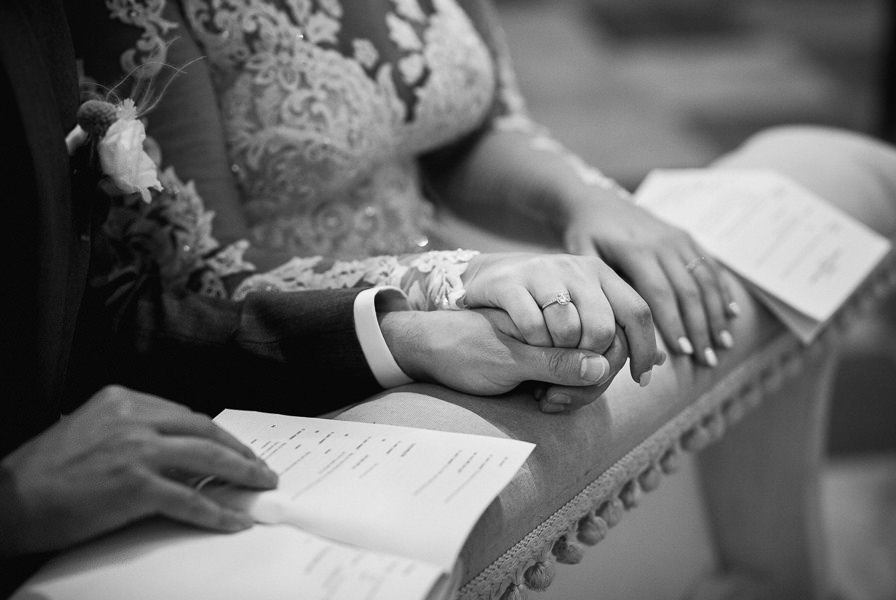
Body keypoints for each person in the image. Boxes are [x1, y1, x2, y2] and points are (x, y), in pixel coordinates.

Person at [1, 0, 666, 592]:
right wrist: (444, 285)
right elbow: (179, 274)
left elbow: (465, 123)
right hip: (271, 341)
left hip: (409, 296)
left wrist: (583, 198)